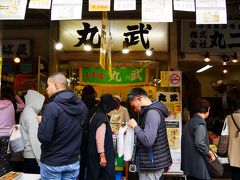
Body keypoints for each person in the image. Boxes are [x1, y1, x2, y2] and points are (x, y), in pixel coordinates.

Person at [37, 72, 88, 180]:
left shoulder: (51, 107)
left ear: (56, 85)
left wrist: (41, 123)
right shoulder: (82, 106)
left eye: (48, 85)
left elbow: (44, 138)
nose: (46, 88)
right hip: (72, 161)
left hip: (52, 162)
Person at [127, 88, 172, 180]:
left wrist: (135, 126)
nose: (135, 110)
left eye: (134, 106)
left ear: (139, 99)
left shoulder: (152, 113)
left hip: (152, 166)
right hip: (152, 163)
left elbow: (148, 141)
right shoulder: (150, 111)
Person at [181, 98, 215, 180]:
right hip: (198, 165)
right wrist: (210, 153)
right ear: (208, 109)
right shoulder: (200, 123)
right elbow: (199, 142)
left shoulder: (190, 122)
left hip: (189, 164)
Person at [87, 94, 118, 180]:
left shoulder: (96, 115)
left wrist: (108, 132)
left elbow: (96, 131)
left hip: (92, 154)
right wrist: (102, 155)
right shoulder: (102, 117)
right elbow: (99, 138)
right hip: (101, 156)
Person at [20, 90, 45, 174]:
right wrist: (39, 159)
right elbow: (35, 139)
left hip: (28, 154)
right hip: (33, 156)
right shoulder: (31, 115)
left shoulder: (25, 112)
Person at [79, 85, 99, 180]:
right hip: (93, 135)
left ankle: (81, 177)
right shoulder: (96, 104)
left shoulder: (80, 104)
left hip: (82, 134)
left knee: (82, 160)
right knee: (93, 159)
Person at [0, 88, 16, 176]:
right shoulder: (11, 105)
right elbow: (22, 104)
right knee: (4, 160)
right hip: (7, 136)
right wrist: (16, 94)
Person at [225, 95, 240, 180]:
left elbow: (224, 135)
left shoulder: (228, 118)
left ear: (232, 107)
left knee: (235, 176)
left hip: (233, 154)